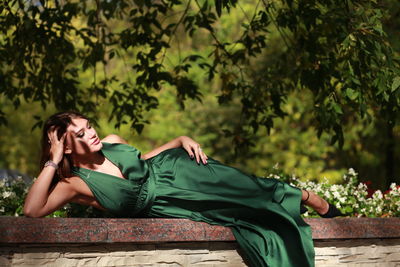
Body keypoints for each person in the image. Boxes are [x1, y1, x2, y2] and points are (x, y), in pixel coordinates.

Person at [24, 111, 342, 267]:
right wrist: (51, 161)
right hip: (169, 204)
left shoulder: (113, 142)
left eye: (88, 125)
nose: (90, 133)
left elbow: (145, 161)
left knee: (249, 186)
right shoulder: (73, 184)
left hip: (179, 170)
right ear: (65, 148)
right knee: (247, 213)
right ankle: (297, 206)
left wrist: (179, 140)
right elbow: (32, 211)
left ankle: (310, 198)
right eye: (79, 134)